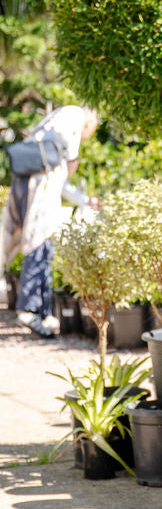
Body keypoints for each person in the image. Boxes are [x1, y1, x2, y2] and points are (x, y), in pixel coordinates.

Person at [0, 104, 99, 338]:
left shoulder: (49, 142)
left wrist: (85, 200)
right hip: (37, 191)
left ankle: (42, 312)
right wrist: (73, 159)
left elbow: (61, 183)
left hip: (26, 184)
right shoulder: (74, 114)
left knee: (22, 239)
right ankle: (31, 309)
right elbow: (63, 167)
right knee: (39, 241)